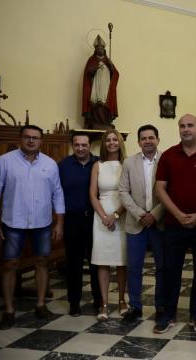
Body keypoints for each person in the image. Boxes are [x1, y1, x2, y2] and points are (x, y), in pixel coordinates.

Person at [0, 125, 65, 329]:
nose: (31, 141)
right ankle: (9, 310)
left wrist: (60, 222)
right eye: (27, 137)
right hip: (13, 222)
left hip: (42, 223)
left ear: (41, 141)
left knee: (42, 262)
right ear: (20, 139)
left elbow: (58, 193)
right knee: (10, 264)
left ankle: (40, 305)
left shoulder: (50, 164)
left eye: (35, 138)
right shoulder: (5, 161)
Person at [154, 114, 196, 333]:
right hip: (174, 224)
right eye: (182, 126)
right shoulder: (169, 156)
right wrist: (179, 214)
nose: (186, 129)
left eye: (190, 125)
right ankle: (168, 314)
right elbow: (160, 188)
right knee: (171, 270)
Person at [118, 125, 165, 323]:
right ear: (138, 142)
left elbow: (170, 192)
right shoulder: (129, 163)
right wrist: (140, 214)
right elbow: (123, 192)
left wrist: (154, 214)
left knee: (162, 267)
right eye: (143, 138)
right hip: (135, 223)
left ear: (158, 140)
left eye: (151, 137)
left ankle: (161, 307)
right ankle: (135, 307)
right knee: (134, 267)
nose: (147, 141)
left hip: (160, 222)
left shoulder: (166, 160)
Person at [58, 133, 102, 316]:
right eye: (77, 145)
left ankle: (99, 300)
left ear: (90, 145)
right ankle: (74, 302)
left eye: (84, 145)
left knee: (96, 262)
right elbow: (57, 193)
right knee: (73, 264)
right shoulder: (63, 166)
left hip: (95, 220)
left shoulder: (100, 163)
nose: (81, 148)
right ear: (72, 146)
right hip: (72, 220)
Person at [90, 129, 127, 321]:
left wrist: (115, 214)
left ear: (120, 142)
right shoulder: (98, 165)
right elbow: (92, 194)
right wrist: (104, 216)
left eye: (115, 140)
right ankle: (104, 304)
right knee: (103, 261)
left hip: (121, 214)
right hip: (101, 217)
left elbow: (129, 193)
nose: (111, 143)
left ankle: (122, 300)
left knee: (122, 262)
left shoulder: (126, 164)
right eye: (108, 140)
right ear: (104, 144)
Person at [82, 35, 119, 129]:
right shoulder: (91, 60)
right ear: (95, 50)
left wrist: (111, 67)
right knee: (96, 102)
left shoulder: (108, 60)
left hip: (106, 86)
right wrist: (94, 69)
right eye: (98, 48)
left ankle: (106, 122)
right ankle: (95, 121)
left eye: (102, 48)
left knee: (105, 101)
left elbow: (116, 74)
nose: (100, 50)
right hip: (95, 85)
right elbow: (87, 73)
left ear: (104, 49)